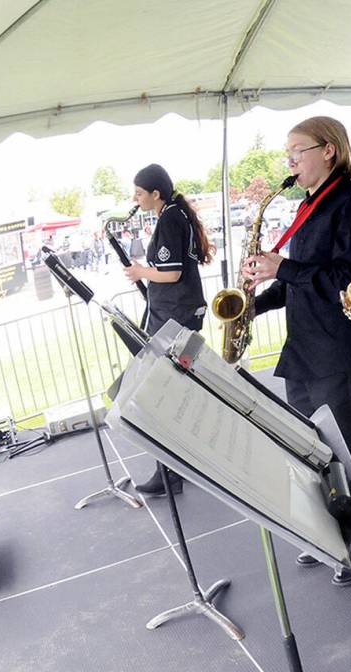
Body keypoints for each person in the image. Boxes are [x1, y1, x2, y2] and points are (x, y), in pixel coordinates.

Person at [243, 116, 351, 587]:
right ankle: (332, 534)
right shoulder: (309, 206)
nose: (290, 162)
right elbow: (298, 280)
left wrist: (282, 267)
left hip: (335, 350)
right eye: (287, 154)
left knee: (349, 452)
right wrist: (255, 304)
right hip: (303, 348)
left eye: (297, 151)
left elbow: (350, 282)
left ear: (328, 150)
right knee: (313, 452)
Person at [126, 163, 213, 497]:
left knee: (165, 393)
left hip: (173, 316)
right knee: (177, 391)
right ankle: (179, 467)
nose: (135, 199)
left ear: (155, 193)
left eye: (139, 193)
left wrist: (140, 272)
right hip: (177, 313)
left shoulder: (169, 219)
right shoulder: (175, 215)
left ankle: (171, 473)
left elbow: (172, 272)